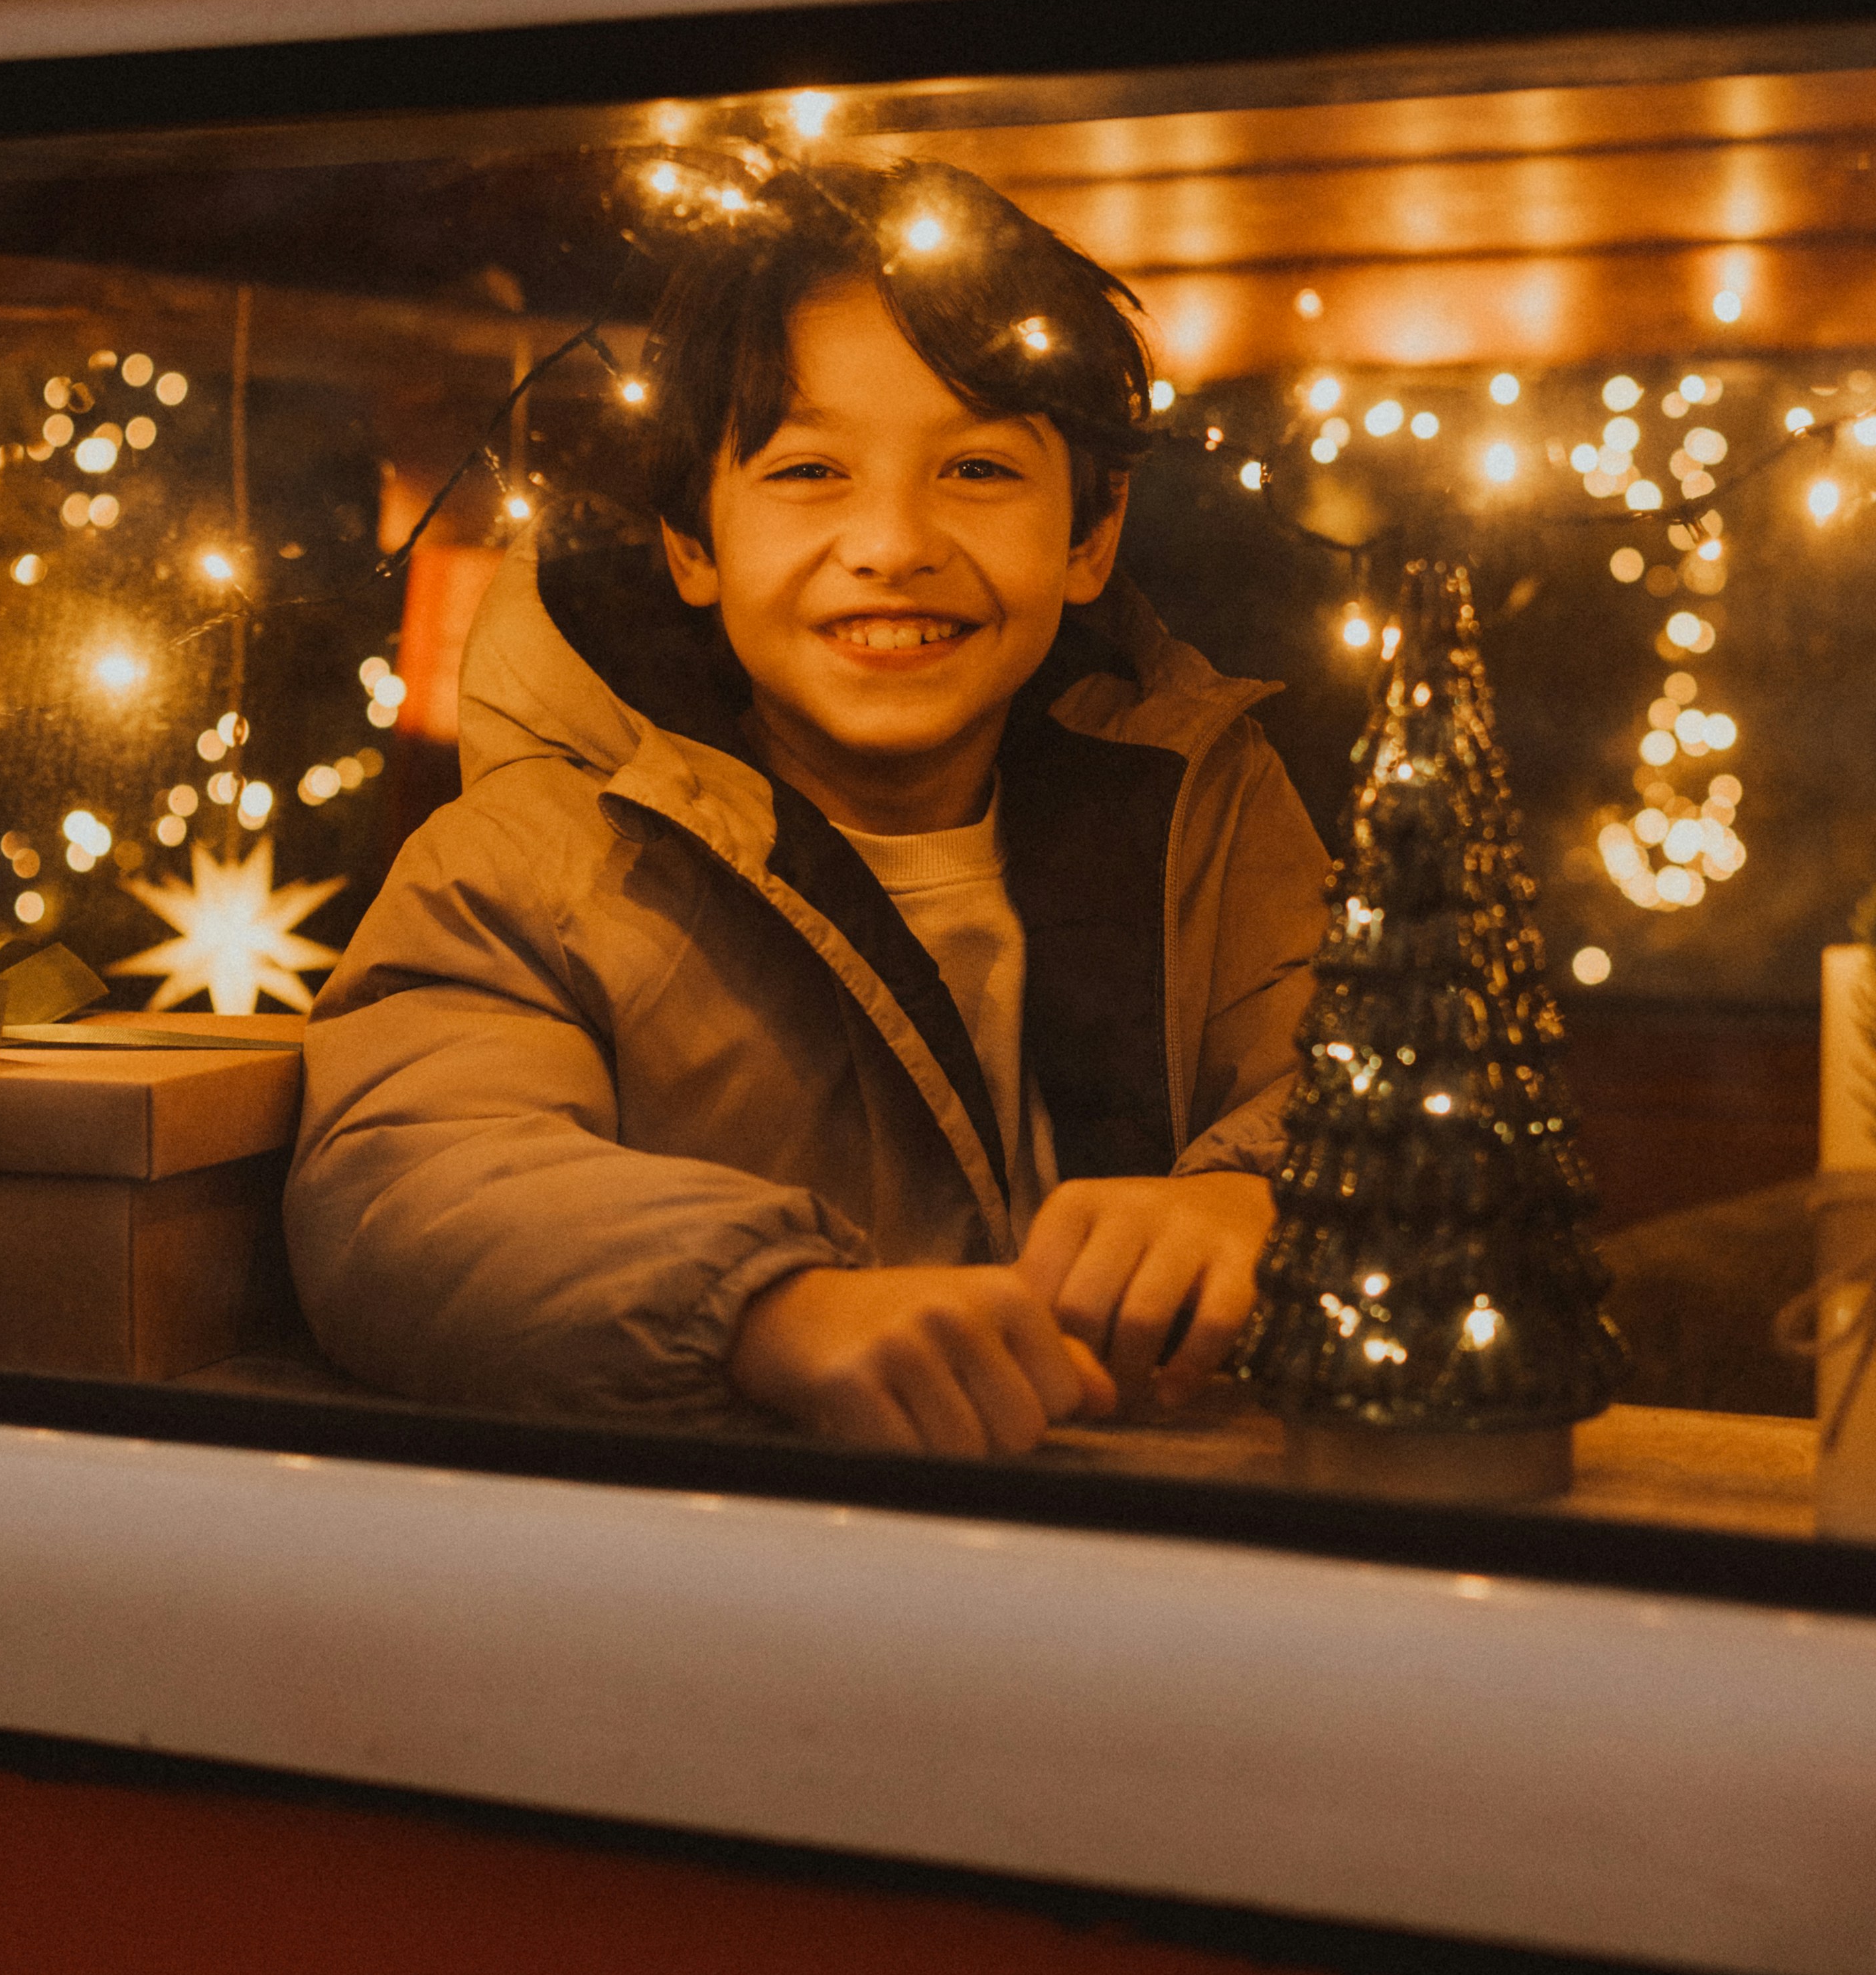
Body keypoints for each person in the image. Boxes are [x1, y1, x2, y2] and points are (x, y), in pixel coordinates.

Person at [285, 152, 1332, 1455]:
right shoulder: (534, 859)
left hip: (1148, 1576)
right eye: (807, 473)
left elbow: (1373, 1093)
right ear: (694, 542)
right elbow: (410, 1193)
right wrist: (771, 1311)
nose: (892, 543)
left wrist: (1263, 1203)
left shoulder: (1207, 812)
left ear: (1088, 536)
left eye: (978, 472)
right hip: (728, 1579)